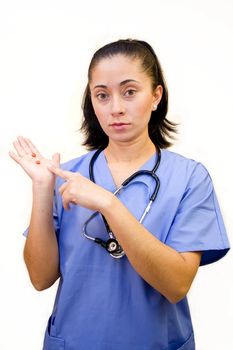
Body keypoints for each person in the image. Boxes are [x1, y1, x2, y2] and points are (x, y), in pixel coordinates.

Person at [10, 39, 230, 350]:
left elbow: (176, 284)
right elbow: (40, 278)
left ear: (155, 96)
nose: (116, 108)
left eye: (129, 92)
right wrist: (42, 190)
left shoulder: (189, 179)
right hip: (74, 342)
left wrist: (109, 203)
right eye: (102, 95)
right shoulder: (64, 176)